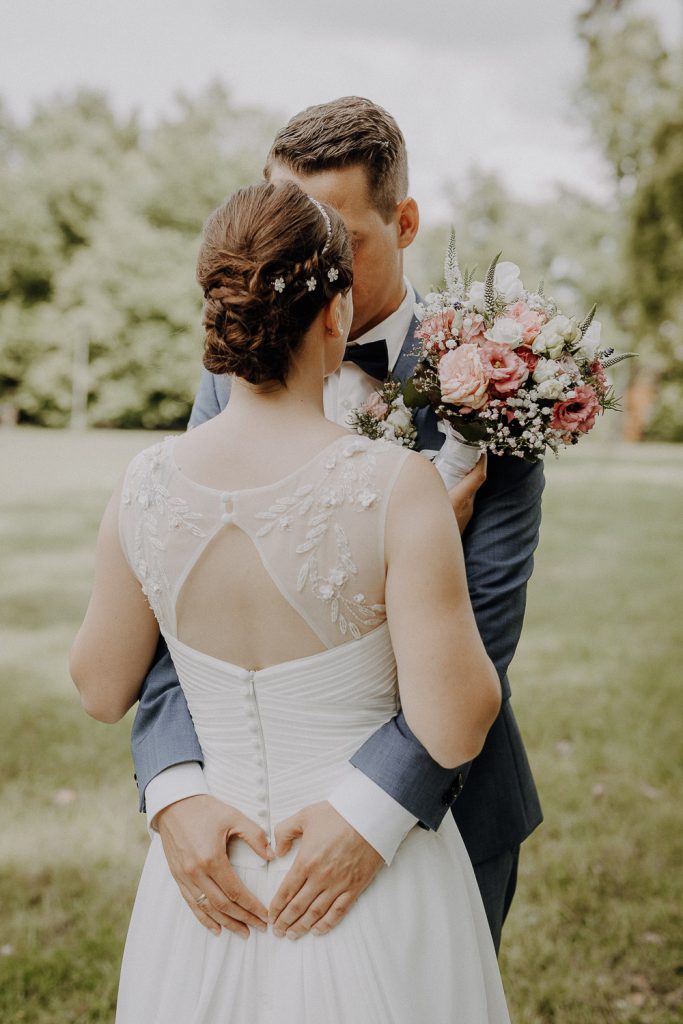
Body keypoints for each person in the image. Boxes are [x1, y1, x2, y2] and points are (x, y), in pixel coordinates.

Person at [71, 179, 510, 1022]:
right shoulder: (398, 487)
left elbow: (99, 688)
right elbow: (455, 722)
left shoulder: (145, 483)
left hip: (210, 889)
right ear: (336, 312)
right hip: (372, 896)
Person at [132, 97, 544, 955]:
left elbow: (487, 622)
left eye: (340, 238)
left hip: (445, 810)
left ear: (405, 221)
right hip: (245, 819)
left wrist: (373, 808)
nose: (313, 266)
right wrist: (173, 786)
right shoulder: (229, 374)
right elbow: (173, 603)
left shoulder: (495, 373)